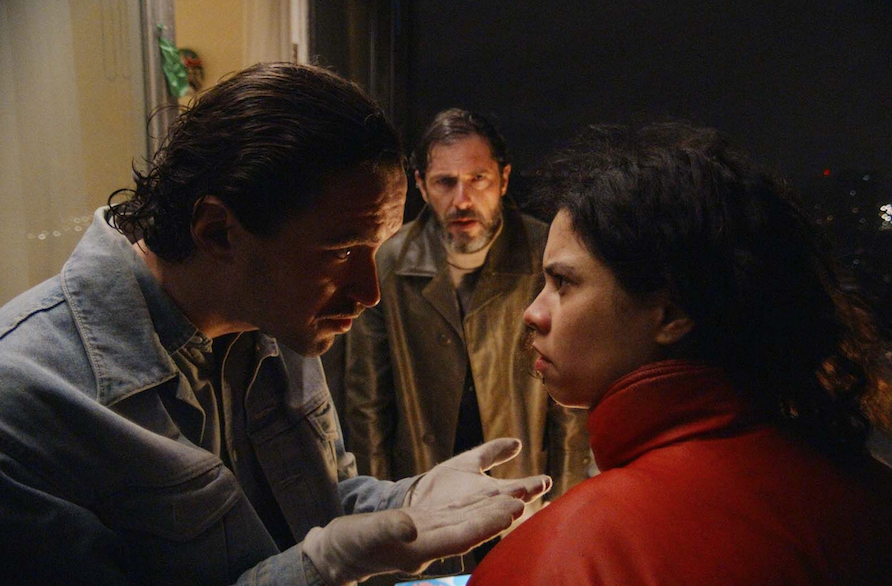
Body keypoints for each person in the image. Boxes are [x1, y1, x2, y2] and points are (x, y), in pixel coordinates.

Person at [0, 63, 553, 586]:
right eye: (341, 252)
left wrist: (408, 501)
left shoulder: (272, 316)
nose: (369, 293)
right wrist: (321, 566)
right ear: (218, 231)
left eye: (377, 248)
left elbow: (318, 500)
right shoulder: (25, 399)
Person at [470, 122, 892, 585]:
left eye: (563, 283)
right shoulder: (864, 492)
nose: (532, 313)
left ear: (671, 313)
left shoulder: (557, 558)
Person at [343, 109, 591, 511]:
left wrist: (565, 507)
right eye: (445, 182)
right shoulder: (388, 262)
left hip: (523, 482)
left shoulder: (545, 252)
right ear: (421, 185)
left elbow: (571, 402)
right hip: (424, 487)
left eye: (478, 179)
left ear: (503, 179)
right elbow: (367, 403)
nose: (462, 200)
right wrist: (380, 515)